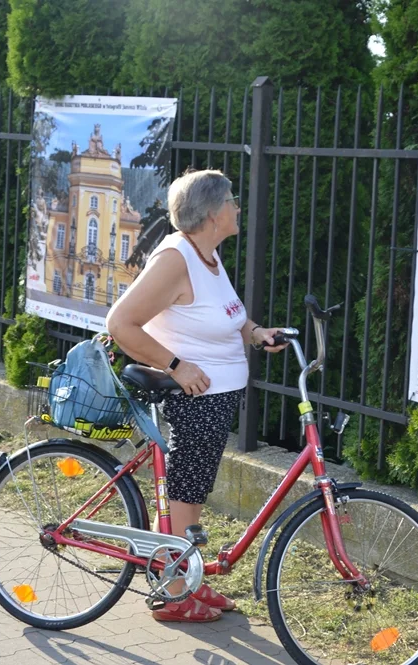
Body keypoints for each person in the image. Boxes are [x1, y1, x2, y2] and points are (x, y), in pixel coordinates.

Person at [106, 169, 286, 623]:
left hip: (215, 399)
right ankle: (175, 594)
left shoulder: (208, 256)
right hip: (192, 399)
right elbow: (120, 323)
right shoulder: (175, 259)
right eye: (232, 200)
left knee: (194, 492)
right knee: (186, 493)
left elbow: (224, 316)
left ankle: (189, 579)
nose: (238, 207)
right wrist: (176, 366)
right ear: (211, 213)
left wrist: (255, 332)